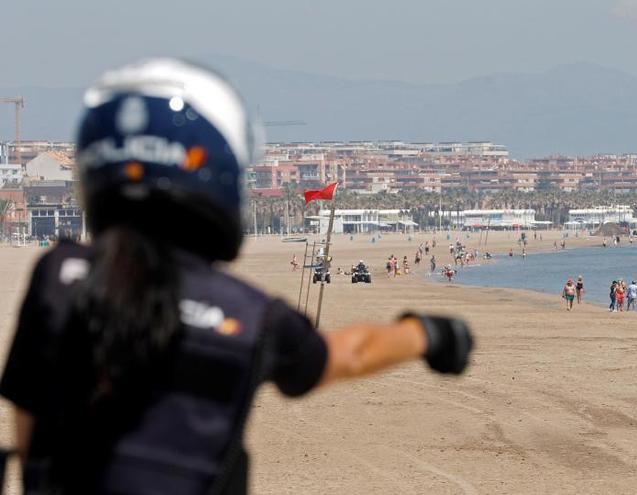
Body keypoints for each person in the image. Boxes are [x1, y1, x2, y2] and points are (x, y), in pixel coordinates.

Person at [0, 59, 474, 495]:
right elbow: (348, 355)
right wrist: (426, 334)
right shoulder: (250, 316)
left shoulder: (58, 277)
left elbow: (31, 433)